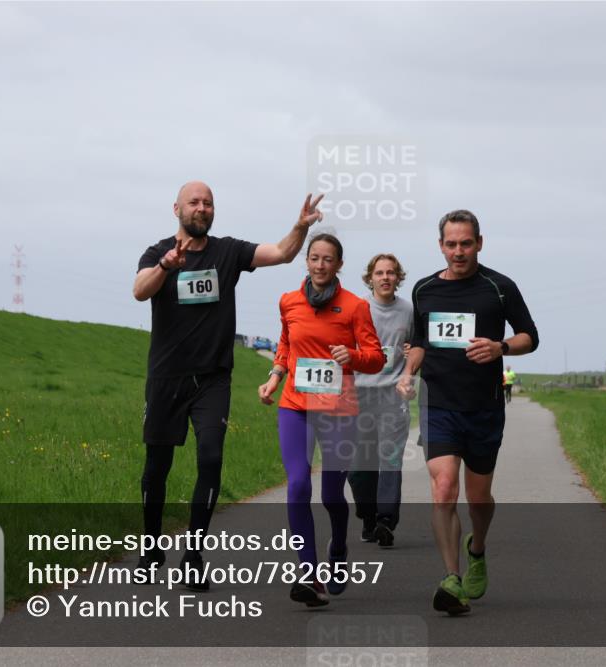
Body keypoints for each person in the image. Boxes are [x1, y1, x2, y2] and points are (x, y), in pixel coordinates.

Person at [132, 181, 324, 587]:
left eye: (208, 203)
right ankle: (151, 547)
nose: (202, 208)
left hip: (213, 378)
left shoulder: (228, 251)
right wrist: (167, 265)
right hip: (166, 376)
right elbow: (139, 291)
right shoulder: (157, 254)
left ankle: (194, 554)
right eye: (194, 203)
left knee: (210, 458)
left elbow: (283, 253)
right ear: (177, 209)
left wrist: (301, 227)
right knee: (157, 467)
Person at [397, 209, 539, 615]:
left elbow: (531, 336)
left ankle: (476, 547)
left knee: (479, 499)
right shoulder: (424, 290)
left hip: (484, 407)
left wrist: (501, 348)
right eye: (450, 244)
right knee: (444, 489)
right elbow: (421, 341)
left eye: (465, 243)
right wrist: (408, 372)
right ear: (440, 245)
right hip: (439, 402)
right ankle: (451, 578)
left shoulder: (499, 288)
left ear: (479, 242)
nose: (458, 252)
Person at [258, 233, 385, 606]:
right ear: (307, 261)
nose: (319, 265)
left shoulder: (355, 306)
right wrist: (274, 376)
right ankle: (310, 574)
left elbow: (376, 357)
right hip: (295, 406)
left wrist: (353, 357)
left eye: (327, 259)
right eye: (314, 258)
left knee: (331, 494)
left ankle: (340, 546)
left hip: (338, 410)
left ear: (339, 265)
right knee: (297, 485)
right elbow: (285, 344)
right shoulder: (289, 301)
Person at [347, 253, 413, 547]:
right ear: (370, 278)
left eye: (391, 273)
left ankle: (386, 520)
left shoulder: (409, 311)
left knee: (390, 460)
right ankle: (368, 516)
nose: (385, 277)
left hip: (392, 394)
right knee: (359, 467)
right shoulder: (357, 308)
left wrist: (411, 364)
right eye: (379, 273)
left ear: (398, 278)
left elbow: (415, 348)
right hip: (360, 393)